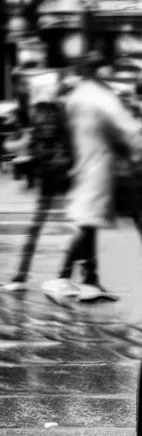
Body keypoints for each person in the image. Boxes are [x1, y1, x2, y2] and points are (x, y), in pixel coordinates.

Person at [41, 51, 142, 307]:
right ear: (99, 71)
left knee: (88, 226)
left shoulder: (76, 96)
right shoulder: (100, 97)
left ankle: (82, 279)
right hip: (114, 172)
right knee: (137, 226)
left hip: (90, 169)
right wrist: (134, 154)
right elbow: (127, 129)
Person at [1, 99, 74, 292]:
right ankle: (24, 276)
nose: (44, 122)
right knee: (40, 229)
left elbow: (18, 147)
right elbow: (18, 148)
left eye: (46, 118)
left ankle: (65, 275)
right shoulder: (45, 133)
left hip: (62, 183)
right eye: (41, 118)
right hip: (53, 183)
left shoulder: (59, 135)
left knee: (77, 229)